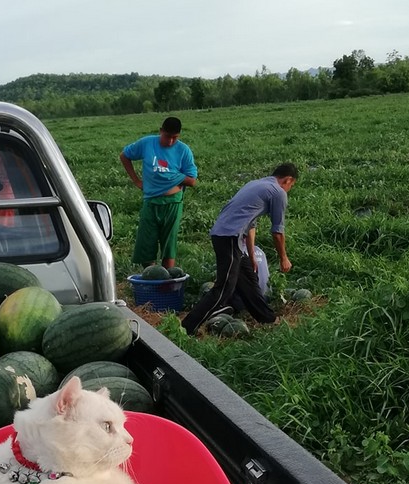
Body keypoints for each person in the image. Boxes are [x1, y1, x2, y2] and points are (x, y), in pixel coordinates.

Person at [181, 163, 299, 334]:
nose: (289, 190)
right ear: (288, 180)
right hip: (229, 236)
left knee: (248, 281)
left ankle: (268, 318)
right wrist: (283, 258)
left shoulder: (255, 184)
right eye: (291, 186)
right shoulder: (278, 192)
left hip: (227, 235)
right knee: (224, 287)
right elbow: (277, 232)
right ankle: (187, 327)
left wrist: (250, 255)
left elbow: (250, 225)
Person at [119, 116, 197, 272]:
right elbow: (124, 155)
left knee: (169, 243)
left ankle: (167, 281)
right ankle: (153, 275)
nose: (170, 141)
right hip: (151, 201)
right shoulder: (147, 143)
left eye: (174, 138)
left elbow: (192, 180)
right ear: (161, 131)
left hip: (173, 203)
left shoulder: (183, 150)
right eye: (167, 136)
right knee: (146, 242)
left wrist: (173, 177)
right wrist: (136, 180)